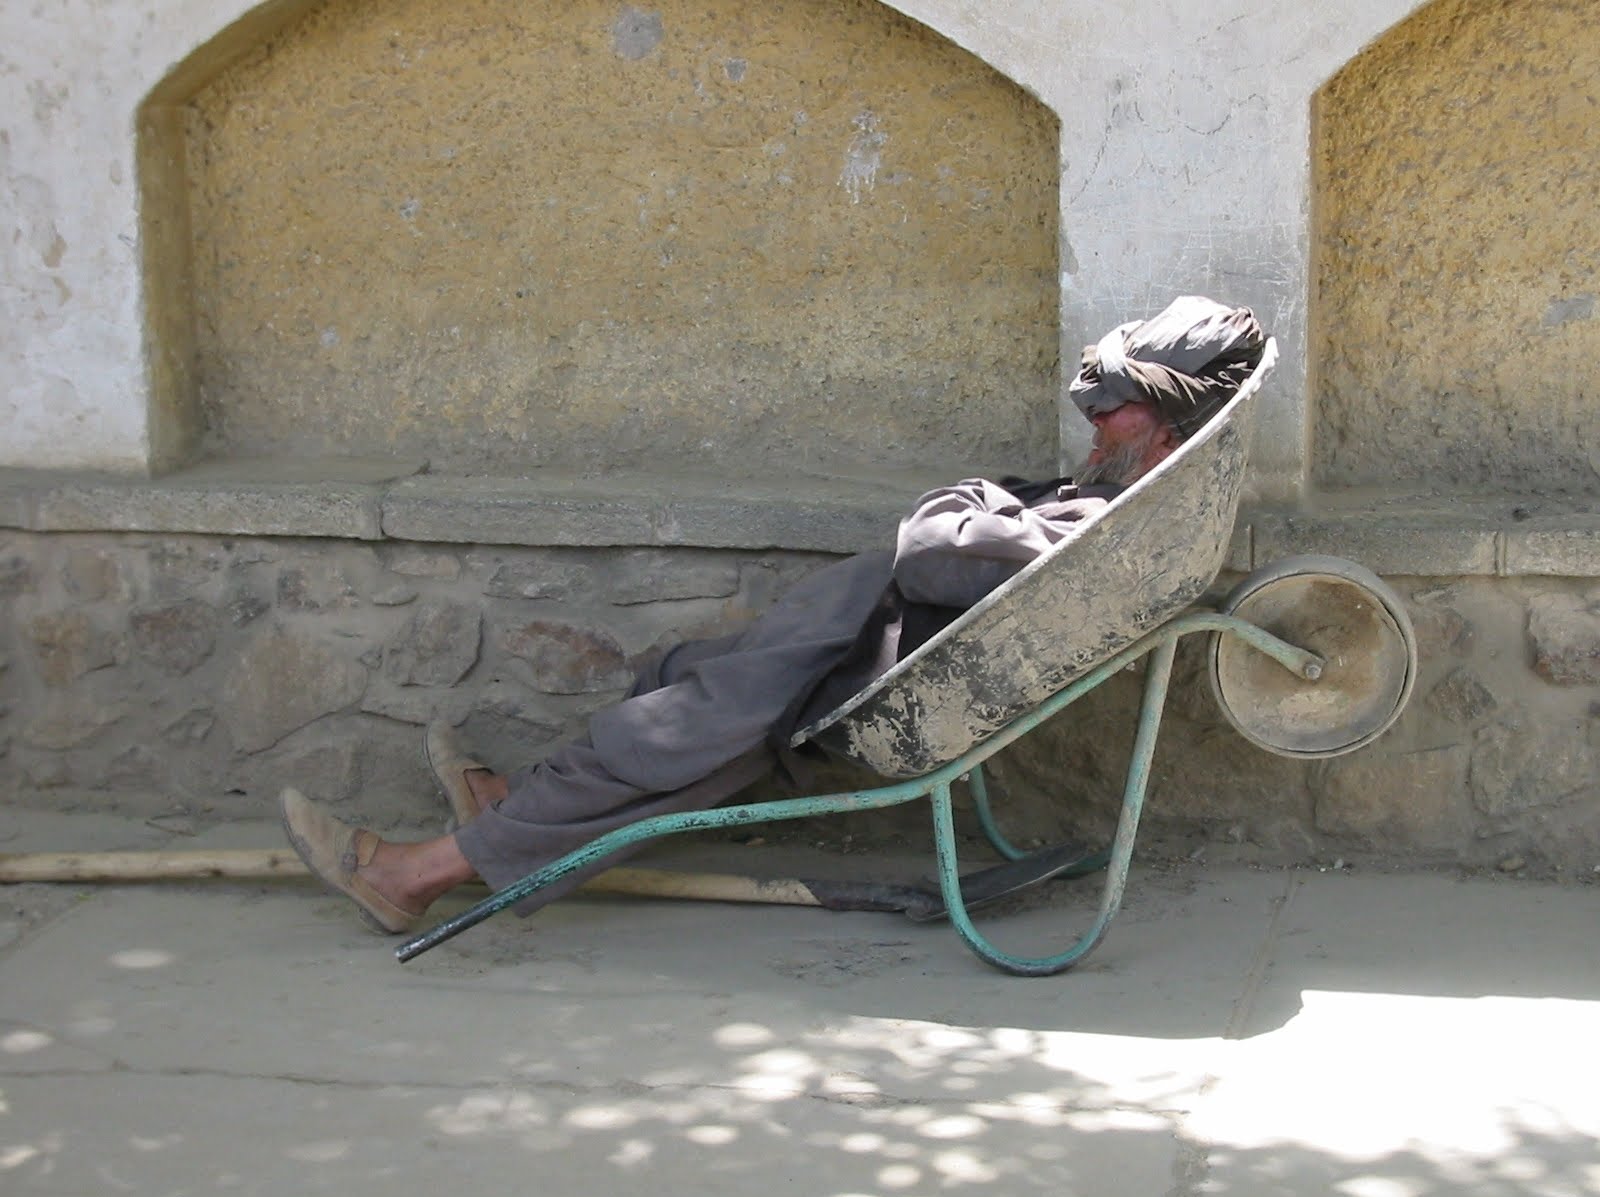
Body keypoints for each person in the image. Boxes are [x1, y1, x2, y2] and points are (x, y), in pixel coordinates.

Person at [280, 296, 1266, 934]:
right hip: (842, 641)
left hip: (852, 669)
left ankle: (412, 875)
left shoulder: (1104, 522)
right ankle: (514, 813)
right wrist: (980, 503)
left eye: (1116, 405)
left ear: (1169, 422)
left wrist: (968, 498)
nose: (1093, 418)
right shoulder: (1109, 501)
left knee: (660, 740)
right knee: (672, 703)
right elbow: (954, 534)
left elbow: (932, 545)